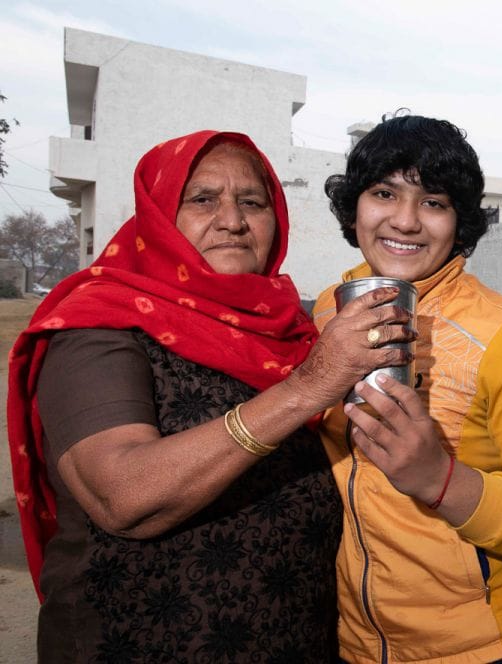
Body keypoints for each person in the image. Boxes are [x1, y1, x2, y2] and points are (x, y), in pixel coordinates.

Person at [6, 129, 414, 662]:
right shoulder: (99, 327)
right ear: (157, 217)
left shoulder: (291, 330)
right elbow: (123, 497)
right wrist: (308, 388)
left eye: (252, 202)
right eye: (202, 200)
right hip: (141, 642)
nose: (233, 220)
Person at [313, 112, 502, 663]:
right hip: (352, 644)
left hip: (485, 647)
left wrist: (437, 479)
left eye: (434, 201)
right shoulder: (330, 309)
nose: (406, 220)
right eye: (384, 192)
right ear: (355, 207)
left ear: (459, 220)